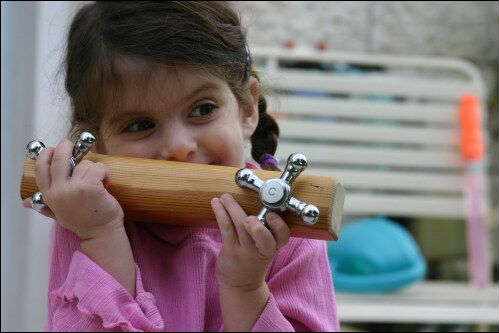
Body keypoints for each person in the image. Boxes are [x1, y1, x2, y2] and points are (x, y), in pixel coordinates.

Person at [23, 2, 339, 331]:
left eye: (202, 109)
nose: (178, 146)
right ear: (97, 143)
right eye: (139, 125)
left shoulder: (286, 226)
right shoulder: (86, 218)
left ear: (246, 108)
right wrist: (101, 238)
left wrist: (245, 289)